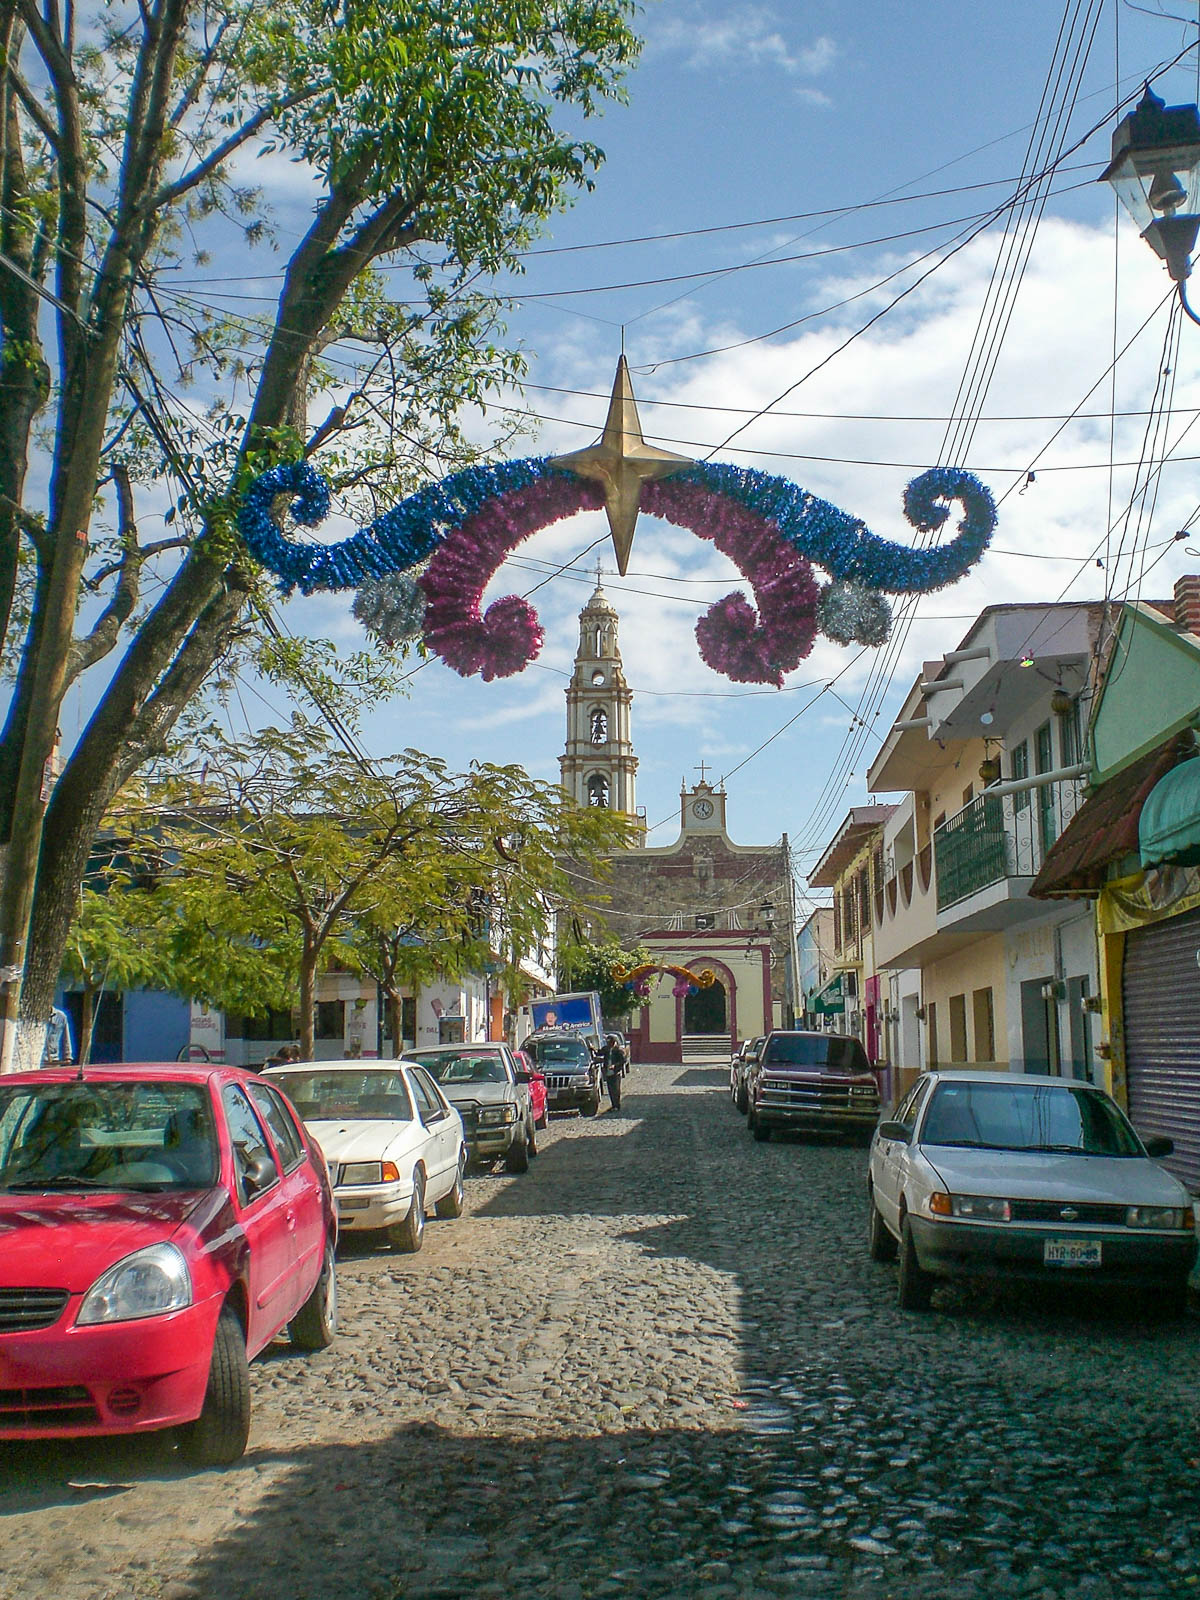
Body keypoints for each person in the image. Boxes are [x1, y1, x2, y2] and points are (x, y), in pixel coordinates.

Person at [602, 1032, 627, 1113]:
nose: (609, 1044)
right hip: (608, 1072)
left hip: (616, 1073)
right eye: (608, 1042)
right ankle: (613, 1105)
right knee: (610, 1090)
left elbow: (623, 1060)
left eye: (610, 1042)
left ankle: (617, 1105)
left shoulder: (618, 1050)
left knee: (616, 1090)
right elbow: (599, 1053)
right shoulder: (606, 1049)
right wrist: (592, 1048)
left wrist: (615, 1065)